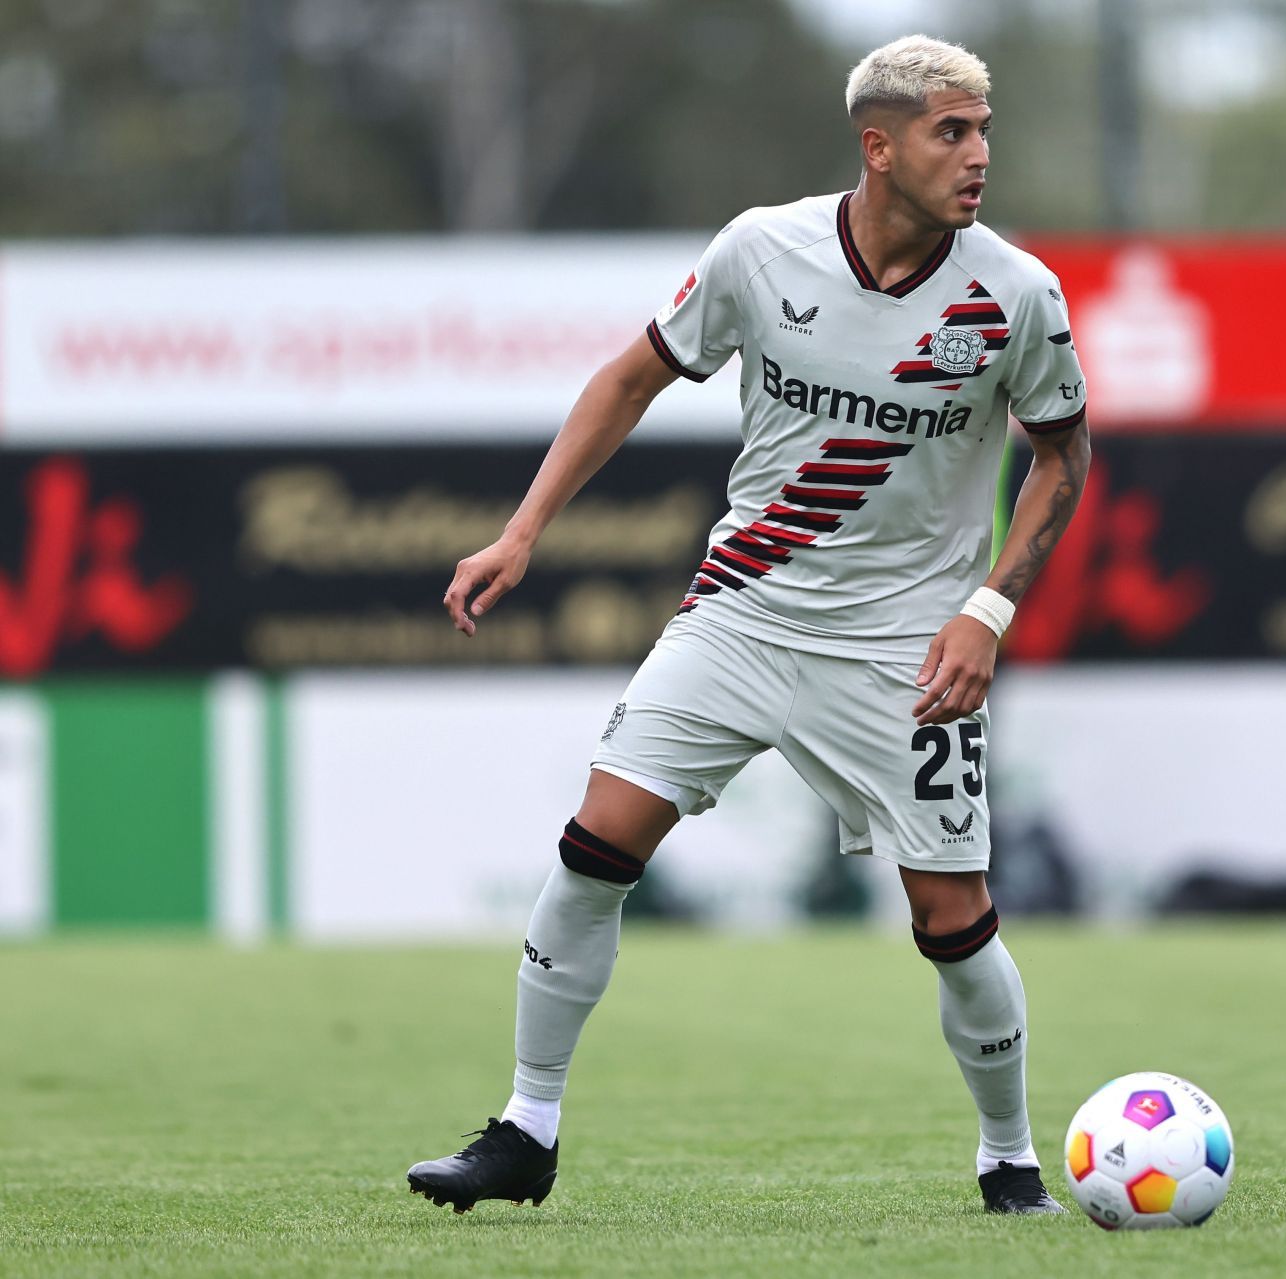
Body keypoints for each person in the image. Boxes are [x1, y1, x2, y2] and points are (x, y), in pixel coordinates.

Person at [405, 33, 1090, 1216]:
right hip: (741, 612)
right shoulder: (759, 251)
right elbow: (629, 377)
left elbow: (1063, 458)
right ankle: (525, 1128)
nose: (978, 156)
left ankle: (1010, 1158)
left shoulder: (1015, 292)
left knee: (954, 920)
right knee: (594, 844)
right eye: (951, 131)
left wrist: (989, 608)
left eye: (984, 131)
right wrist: (521, 532)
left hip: (901, 649)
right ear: (878, 146)